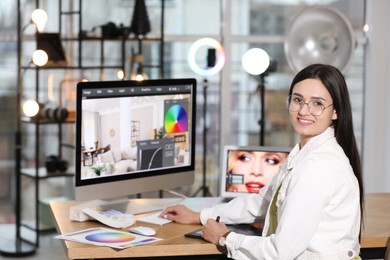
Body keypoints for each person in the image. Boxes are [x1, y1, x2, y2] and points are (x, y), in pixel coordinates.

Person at [160, 64, 364, 259]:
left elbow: (279, 253)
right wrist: (201, 216)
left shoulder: (316, 166)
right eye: (298, 100)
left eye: (317, 103)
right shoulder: (305, 154)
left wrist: (225, 238)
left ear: (335, 111)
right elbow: (260, 203)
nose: (303, 111)